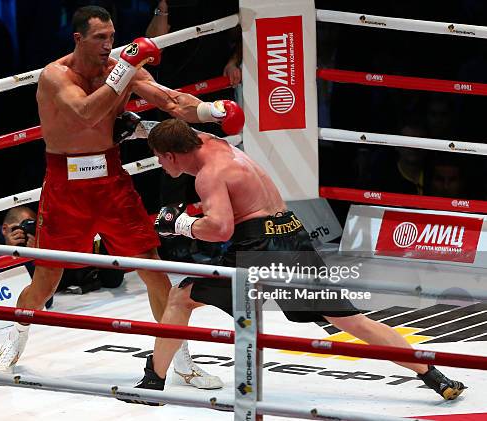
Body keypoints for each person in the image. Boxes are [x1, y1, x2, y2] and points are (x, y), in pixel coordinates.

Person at [125, 118, 467, 403]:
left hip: (258, 246)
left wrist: (180, 225)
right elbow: (178, 107)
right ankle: (433, 376)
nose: (159, 165)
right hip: (291, 231)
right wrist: (141, 129)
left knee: (180, 297)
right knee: (351, 321)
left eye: (159, 158)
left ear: (170, 156)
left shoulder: (209, 174)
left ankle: (153, 382)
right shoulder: (212, 141)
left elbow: (219, 228)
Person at [0, 6, 243, 390]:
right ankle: (17, 335)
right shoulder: (55, 76)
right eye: (100, 39)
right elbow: (86, 113)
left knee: (154, 270)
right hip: (65, 184)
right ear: (78, 39)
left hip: (111, 181)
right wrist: (123, 69)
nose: (109, 45)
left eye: (112, 37)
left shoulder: (120, 66)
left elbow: (172, 101)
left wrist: (211, 110)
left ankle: (181, 362)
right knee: (47, 279)